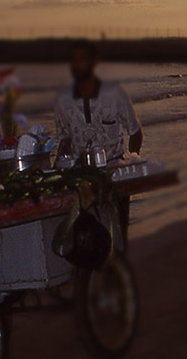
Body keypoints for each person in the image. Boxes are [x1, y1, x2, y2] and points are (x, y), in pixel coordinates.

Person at [54, 39, 142, 242]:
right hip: (80, 180)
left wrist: (131, 168)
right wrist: (59, 174)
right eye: (73, 60)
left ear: (95, 62)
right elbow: (65, 141)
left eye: (83, 59)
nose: (77, 65)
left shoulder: (115, 93)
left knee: (117, 239)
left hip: (115, 176)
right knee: (84, 241)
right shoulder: (62, 99)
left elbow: (136, 132)